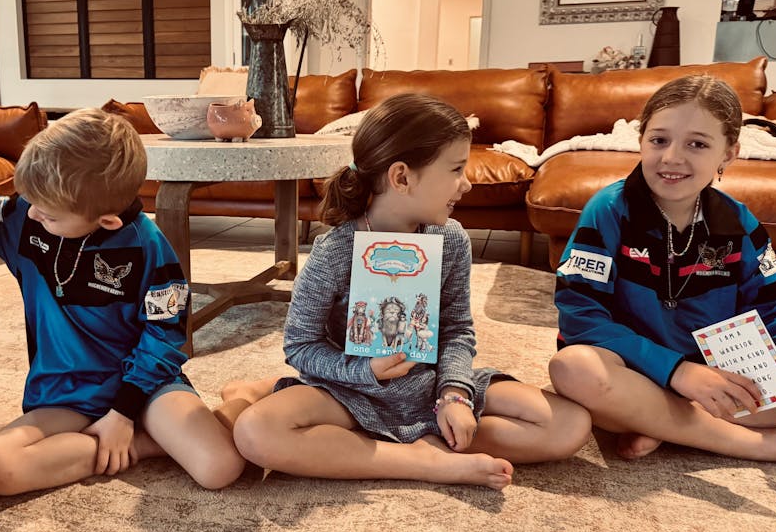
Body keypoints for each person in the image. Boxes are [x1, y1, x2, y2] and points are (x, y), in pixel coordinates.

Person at [0, 108, 245, 496]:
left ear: (107, 220)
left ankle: (224, 407)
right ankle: (139, 445)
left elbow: (165, 335)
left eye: (48, 214)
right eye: (29, 201)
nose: (31, 214)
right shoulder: (26, 220)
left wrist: (122, 413)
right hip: (66, 394)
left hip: (145, 390)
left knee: (220, 467)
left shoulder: (149, 247)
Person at [224, 94, 591, 490]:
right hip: (350, 392)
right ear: (401, 177)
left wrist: (455, 395)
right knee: (256, 431)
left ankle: (381, 441)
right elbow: (300, 345)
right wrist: (363, 371)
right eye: (456, 169)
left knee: (570, 425)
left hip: (429, 387)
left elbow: (457, 331)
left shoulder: (451, 240)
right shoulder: (334, 252)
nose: (467, 184)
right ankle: (422, 460)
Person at [549, 74, 776, 461]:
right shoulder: (608, 210)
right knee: (573, 368)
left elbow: (775, 309)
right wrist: (677, 372)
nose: (672, 157)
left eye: (697, 144)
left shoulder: (740, 224)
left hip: (714, 377)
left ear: (728, 154)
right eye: (659, 140)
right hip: (634, 369)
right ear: (641, 141)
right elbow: (581, 319)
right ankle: (748, 443)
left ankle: (663, 423)